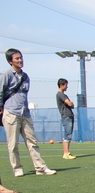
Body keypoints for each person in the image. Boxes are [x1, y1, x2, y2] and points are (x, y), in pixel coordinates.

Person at [0, 48, 56, 177]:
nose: (20, 60)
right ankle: (17, 168)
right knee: (13, 144)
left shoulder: (25, 77)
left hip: (25, 113)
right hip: (11, 113)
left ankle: (40, 168)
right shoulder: (6, 75)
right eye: (17, 58)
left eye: (21, 57)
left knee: (32, 141)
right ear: (10, 61)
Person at [56, 78, 76, 159]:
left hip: (69, 116)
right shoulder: (60, 95)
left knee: (68, 134)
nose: (67, 87)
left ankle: (67, 153)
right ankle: (66, 153)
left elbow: (72, 105)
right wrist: (70, 103)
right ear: (61, 85)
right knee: (67, 135)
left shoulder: (63, 95)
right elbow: (69, 103)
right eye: (66, 85)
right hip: (66, 117)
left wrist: (71, 104)